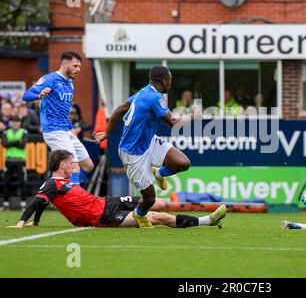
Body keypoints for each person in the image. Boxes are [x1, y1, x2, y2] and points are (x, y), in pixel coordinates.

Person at [9, 150, 226, 229]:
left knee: (157, 202)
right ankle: (207, 221)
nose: (74, 165)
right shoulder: (51, 184)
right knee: (159, 216)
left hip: (107, 202)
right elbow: (37, 201)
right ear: (62, 165)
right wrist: (21, 223)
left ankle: (155, 178)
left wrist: (36, 222)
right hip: (104, 216)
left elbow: (43, 203)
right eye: (71, 162)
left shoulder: (61, 184)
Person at [94, 66, 200, 228]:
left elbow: (119, 110)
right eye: (170, 80)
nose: (170, 83)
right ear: (164, 81)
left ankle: (159, 173)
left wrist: (107, 133)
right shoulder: (155, 97)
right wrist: (192, 117)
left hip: (149, 141)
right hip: (132, 153)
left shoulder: (143, 92)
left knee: (182, 163)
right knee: (150, 198)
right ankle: (139, 214)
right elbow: (172, 123)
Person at [22, 51, 95, 185]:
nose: (78, 69)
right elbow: (26, 95)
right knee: (74, 165)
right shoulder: (50, 79)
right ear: (64, 64)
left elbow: (63, 111)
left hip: (66, 130)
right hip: (53, 130)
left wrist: (71, 128)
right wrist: (39, 95)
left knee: (88, 165)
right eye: (75, 66)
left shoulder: (70, 83)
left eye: (79, 66)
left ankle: (60, 187)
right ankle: (74, 198)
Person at [2, 115, 28, 208]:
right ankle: (5, 203)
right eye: (13, 121)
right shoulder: (6, 132)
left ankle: (23, 203)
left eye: (17, 121)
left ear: (20, 123)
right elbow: (5, 144)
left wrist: (11, 142)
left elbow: (23, 145)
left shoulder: (24, 132)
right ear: (11, 123)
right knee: (6, 181)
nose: (15, 123)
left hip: (20, 160)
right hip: (9, 160)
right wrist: (17, 141)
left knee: (22, 182)